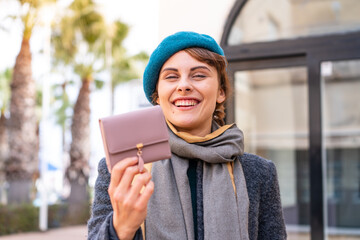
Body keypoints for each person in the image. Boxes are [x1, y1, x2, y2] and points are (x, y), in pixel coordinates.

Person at [88, 31, 287, 240]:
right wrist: (120, 228)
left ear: (221, 92)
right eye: (171, 77)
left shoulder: (259, 173)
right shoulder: (123, 170)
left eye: (199, 75)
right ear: (157, 95)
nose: (183, 85)